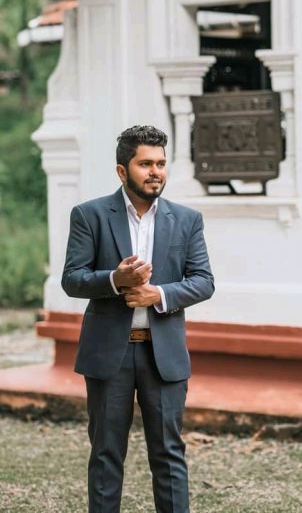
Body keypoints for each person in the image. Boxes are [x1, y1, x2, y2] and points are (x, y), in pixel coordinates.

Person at [62, 124, 215, 513]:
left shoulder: (187, 219)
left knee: (168, 455)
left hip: (162, 355)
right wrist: (116, 279)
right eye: (145, 163)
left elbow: (203, 281)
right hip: (109, 356)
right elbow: (72, 279)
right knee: (107, 454)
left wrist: (158, 294)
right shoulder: (89, 215)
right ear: (122, 170)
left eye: (161, 163)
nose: (155, 171)